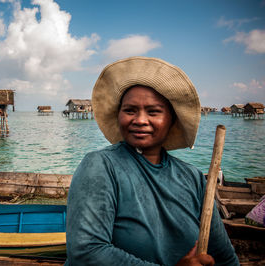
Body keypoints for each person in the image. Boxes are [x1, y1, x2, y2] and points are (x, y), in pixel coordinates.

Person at [65, 57, 239, 265]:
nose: (139, 120)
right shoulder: (101, 166)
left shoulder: (192, 178)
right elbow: (86, 252)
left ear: (172, 119)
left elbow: (225, 257)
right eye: (129, 110)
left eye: (153, 111)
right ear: (119, 115)